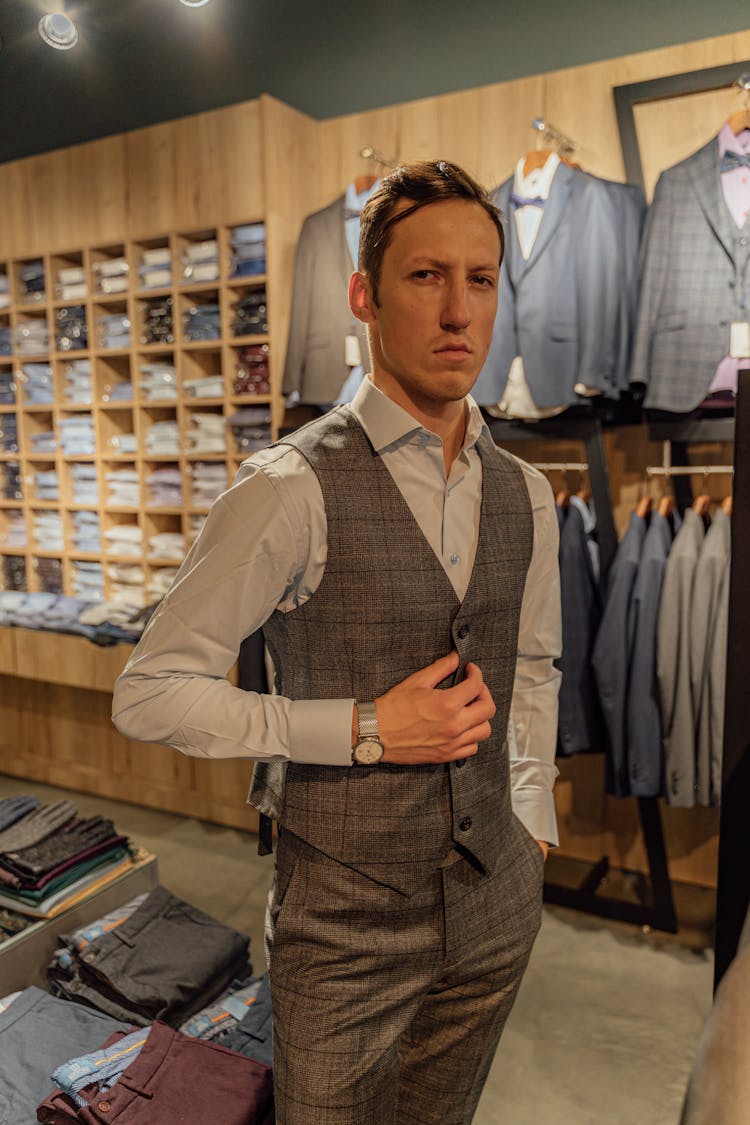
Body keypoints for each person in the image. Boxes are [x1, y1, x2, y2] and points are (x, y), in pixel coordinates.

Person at [112, 159, 561, 1124]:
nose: (458, 312)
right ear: (363, 295)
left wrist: (532, 823)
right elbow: (151, 691)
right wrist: (362, 727)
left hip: (495, 908)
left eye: (480, 280)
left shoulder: (529, 493)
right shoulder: (285, 486)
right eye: (425, 276)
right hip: (343, 931)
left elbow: (532, 666)